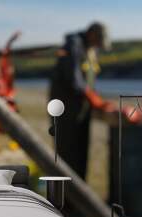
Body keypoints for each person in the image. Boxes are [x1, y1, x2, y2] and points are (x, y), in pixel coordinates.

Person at [49, 22, 113, 179]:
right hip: (66, 112)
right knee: (68, 155)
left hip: (82, 110)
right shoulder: (73, 44)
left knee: (81, 153)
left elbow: (88, 79)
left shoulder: (91, 49)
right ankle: (67, 199)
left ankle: (80, 196)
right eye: (97, 41)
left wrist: (94, 100)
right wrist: (94, 99)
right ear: (91, 34)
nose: (97, 45)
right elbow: (74, 79)